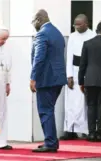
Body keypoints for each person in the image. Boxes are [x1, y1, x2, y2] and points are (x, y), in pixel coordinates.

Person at [30, 9, 67, 153]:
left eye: (33, 21)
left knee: (45, 110)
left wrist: (33, 78)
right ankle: (51, 140)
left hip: (46, 79)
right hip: (58, 78)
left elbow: (39, 58)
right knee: (49, 110)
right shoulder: (57, 32)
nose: (33, 25)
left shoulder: (42, 33)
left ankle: (50, 143)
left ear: (39, 20)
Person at [61, 14, 96, 140]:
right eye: (74, 24)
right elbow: (69, 56)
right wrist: (69, 75)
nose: (76, 27)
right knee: (70, 102)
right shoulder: (72, 36)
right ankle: (70, 130)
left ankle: (86, 130)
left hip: (87, 71)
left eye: (79, 24)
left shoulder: (93, 36)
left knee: (84, 103)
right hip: (74, 71)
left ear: (86, 23)